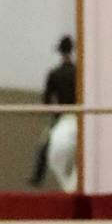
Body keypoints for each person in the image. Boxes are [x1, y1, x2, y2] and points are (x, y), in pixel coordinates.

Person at [29, 34, 78, 186]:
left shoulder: (55, 74)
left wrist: (54, 111)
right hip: (79, 114)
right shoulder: (78, 72)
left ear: (60, 52)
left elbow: (47, 101)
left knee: (44, 146)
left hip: (63, 116)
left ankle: (37, 177)